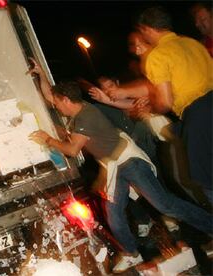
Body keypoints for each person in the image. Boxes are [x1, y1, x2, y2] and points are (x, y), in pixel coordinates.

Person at [27, 59, 213, 273]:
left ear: (67, 100)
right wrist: (41, 72)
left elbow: (71, 150)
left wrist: (48, 140)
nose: (55, 105)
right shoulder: (78, 110)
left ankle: (210, 225)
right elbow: (51, 96)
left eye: (58, 103)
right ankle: (132, 254)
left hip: (129, 161)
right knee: (113, 213)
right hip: (115, 166)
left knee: (165, 205)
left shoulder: (84, 118)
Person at [107, 6, 213, 204]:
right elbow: (163, 84)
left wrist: (150, 108)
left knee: (206, 179)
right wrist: (124, 92)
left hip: (198, 116)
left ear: (146, 29)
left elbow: (164, 102)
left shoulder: (157, 56)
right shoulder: (192, 43)